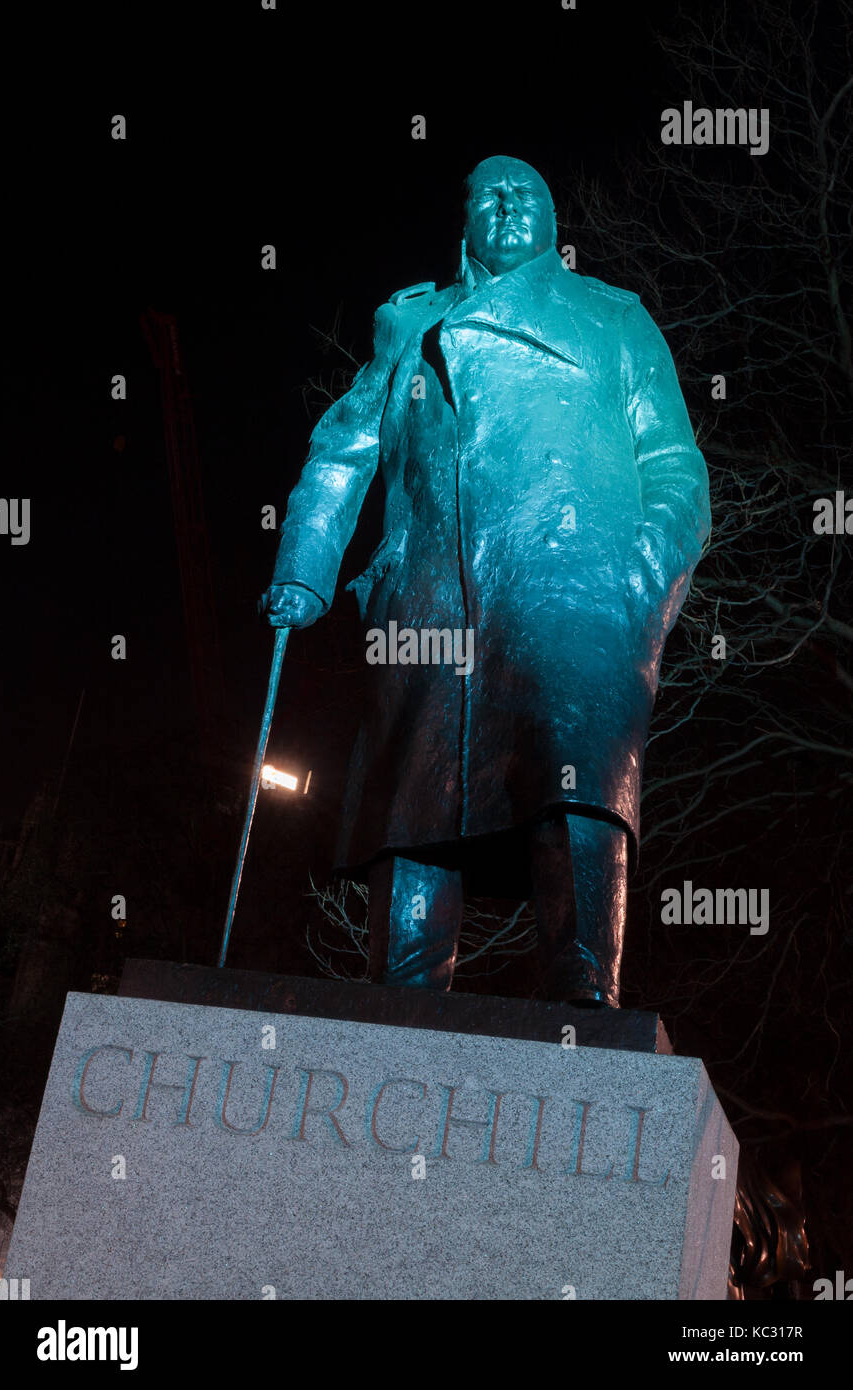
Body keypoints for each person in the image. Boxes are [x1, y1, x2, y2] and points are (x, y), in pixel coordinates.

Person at [262, 155, 710, 1007]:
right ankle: (399, 1000)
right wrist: (306, 566)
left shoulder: (612, 319)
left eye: (528, 194)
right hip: (430, 597)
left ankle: (584, 992)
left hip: (575, 592)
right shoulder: (412, 324)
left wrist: (636, 581)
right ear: (462, 221)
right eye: (488, 196)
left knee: (572, 776)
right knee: (415, 801)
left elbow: (675, 468)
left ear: (555, 221)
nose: (508, 207)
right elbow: (345, 448)